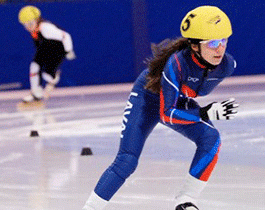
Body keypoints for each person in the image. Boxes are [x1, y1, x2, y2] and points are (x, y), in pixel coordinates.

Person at [82, 5, 239, 210]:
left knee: (211, 139)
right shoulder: (177, 64)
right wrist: (203, 112)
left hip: (175, 99)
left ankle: (186, 200)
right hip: (148, 98)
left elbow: (177, 102)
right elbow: (167, 113)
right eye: (213, 43)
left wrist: (201, 112)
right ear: (194, 46)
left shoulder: (227, 65)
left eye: (224, 41)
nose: (220, 49)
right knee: (127, 161)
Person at [18, 5, 76, 103]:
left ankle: (53, 78)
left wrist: (69, 51)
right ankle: (36, 94)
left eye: (30, 23)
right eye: (25, 25)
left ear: (37, 20)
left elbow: (66, 36)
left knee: (46, 75)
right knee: (34, 66)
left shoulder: (46, 28)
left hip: (58, 50)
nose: (28, 27)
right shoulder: (35, 30)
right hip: (46, 47)